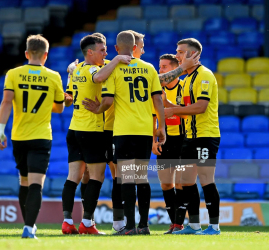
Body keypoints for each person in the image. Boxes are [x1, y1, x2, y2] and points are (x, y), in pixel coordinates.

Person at [83, 31, 166, 235]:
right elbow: (158, 100)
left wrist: (97, 109)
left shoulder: (115, 70)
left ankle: (129, 226)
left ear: (117, 49)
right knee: (142, 177)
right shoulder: (149, 69)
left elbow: (108, 101)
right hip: (145, 131)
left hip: (123, 131)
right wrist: (161, 127)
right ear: (135, 47)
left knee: (127, 177)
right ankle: (144, 225)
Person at [0, 34, 65, 239]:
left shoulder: (13, 74)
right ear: (45, 55)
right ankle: (29, 227)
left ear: (26, 53)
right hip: (41, 136)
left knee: (24, 181)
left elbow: (6, 102)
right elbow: (59, 108)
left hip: (19, 136)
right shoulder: (53, 76)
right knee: (36, 183)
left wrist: (0, 130)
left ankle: (28, 225)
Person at [61, 34, 131, 235]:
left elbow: (68, 98)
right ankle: (87, 223)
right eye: (102, 50)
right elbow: (99, 77)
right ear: (89, 52)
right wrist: (118, 59)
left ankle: (67, 222)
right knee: (97, 176)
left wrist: (71, 71)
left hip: (74, 129)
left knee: (74, 176)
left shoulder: (77, 69)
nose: (106, 53)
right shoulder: (94, 69)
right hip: (92, 131)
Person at [163, 38, 221, 235]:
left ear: (193, 55)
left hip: (206, 135)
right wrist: (167, 105)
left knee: (206, 179)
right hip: (189, 136)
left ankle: (214, 226)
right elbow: (184, 111)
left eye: (181, 52)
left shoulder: (204, 75)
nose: (177, 55)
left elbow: (201, 107)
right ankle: (194, 225)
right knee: (185, 180)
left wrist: (172, 111)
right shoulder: (186, 80)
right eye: (177, 51)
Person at [152, 54, 186, 234]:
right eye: (160, 67)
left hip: (182, 140)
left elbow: (189, 114)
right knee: (166, 184)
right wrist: (153, 140)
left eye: (164, 67)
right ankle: (174, 223)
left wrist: (167, 103)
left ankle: (180, 224)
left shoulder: (185, 87)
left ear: (175, 70)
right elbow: (152, 116)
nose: (161, 70)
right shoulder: (156, 89)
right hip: (164, 141)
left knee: (181, 183)